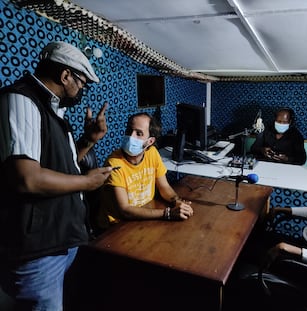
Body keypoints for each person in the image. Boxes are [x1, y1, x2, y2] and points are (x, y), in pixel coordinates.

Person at [0, 41, 113, 310]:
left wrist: (89, 139)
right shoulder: (21, 100)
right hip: (39, 251)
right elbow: (28, 178)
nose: (82, 90)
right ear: (65, 76)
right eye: (82, 83)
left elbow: (64, 166)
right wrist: (88, 182)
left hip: (62, 240)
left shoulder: (55, 112)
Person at [97, 112, 194, 229]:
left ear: (150, 141)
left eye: (139, 133)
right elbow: (125, 210)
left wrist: (177, 201)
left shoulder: (152, 153)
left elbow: (164, 187)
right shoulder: (114, 163)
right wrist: (167, 213)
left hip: (145, 216)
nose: (131, 137)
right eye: (129, 131)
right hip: (117, 226)